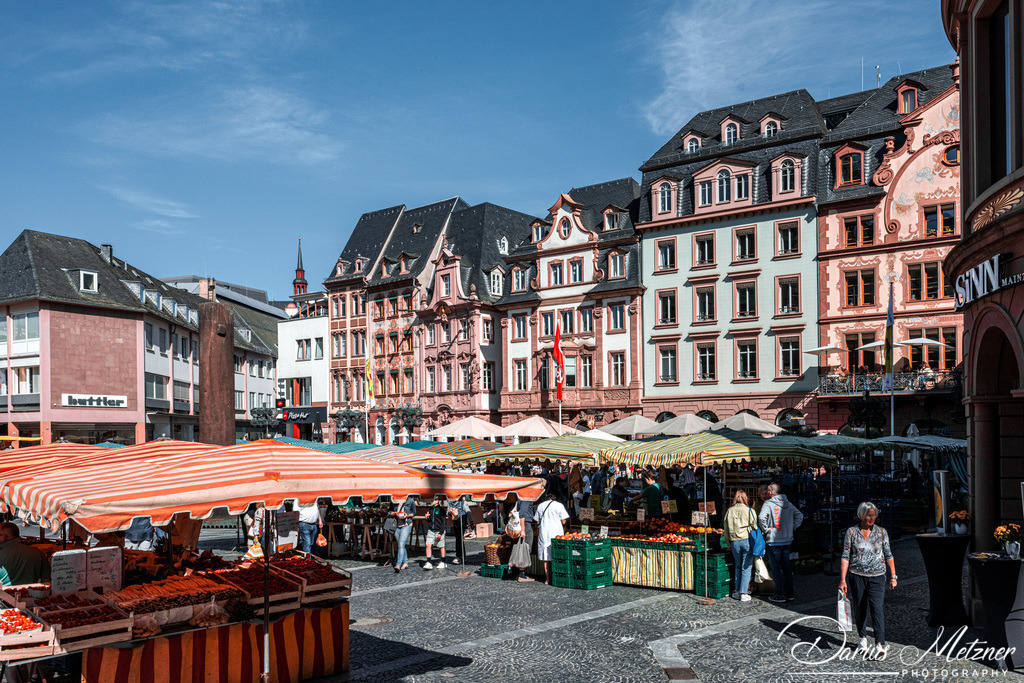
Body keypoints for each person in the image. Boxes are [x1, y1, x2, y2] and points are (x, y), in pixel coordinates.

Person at [839, 502, 896, 658]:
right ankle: (863, 638)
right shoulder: (852, 532)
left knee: (877, 608)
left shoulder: (881, 532)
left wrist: (893, 576)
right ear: (861, 515)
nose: (872, 518)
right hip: (856, 576)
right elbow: (845, 556)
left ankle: (879, 644)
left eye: (874, 515)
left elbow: (888, 554)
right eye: (869, 515)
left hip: (877, 576)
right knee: (860, 607)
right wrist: (843, 580)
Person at [758, 483, 804, 603]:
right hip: (787, 540)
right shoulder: (787, 503)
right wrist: (792, 527)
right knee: (786, 567)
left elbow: (761, 517)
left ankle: (780, 594)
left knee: (776, 569)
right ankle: (790, 593)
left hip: (774, 541)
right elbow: (799, 515)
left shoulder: (768, 504)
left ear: (770, 492)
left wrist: (766, 530)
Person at [723, 490, 756, 602]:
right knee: (746, 567)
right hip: (746, 540)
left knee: (737, 566)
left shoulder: (730, 511)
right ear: (745, 498)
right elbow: (755, 526)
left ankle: (737, 591)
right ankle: (743, 593)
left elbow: (726, 530)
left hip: (734, 542)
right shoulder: (749, 510)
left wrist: (728, 543)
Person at [533, 492, 569, 585]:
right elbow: (564, 521)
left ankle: (547, 579)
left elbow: (537, 521)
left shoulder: (540, 506)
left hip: (544, 532)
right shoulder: (559, 505)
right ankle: (556, 577)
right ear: (555, 498)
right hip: (556, 533)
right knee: (557, 554)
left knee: (546, 556)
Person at [390, 495, 417, 573]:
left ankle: (398, 564)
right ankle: (405, 562)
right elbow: (389, 512)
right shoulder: (394, 500)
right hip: (396, 525)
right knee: (401, 545)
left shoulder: (410, 500)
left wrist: (407, 515)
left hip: (406, 525)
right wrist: (395, 513)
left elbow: (414, 513)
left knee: (401, 544)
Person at [423, 497, 448, 570]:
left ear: (437, 501)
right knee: (428, 545)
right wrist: (427, 518)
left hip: (439, 530)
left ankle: (443, 561)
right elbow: (430, 520)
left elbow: (444, 522)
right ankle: (429, 562)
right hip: (431, 530)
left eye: (432, 500)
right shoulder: (430, 509)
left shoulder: (441, 510)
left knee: (441, 546)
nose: (430, 501)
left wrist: (441, 532)